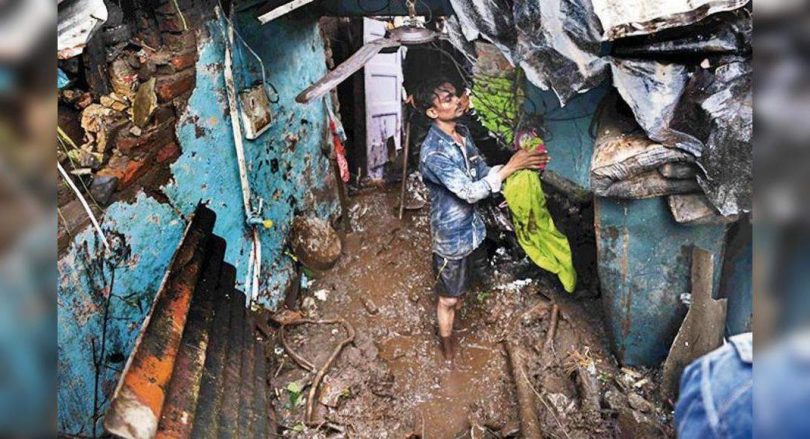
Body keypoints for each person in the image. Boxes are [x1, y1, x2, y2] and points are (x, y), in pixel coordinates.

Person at [415, 78, 549, 363]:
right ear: (432, 112)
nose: (457, 101)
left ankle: (457, 318)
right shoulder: (434, 152)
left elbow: (481, 171)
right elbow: (469, 191)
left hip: (473, 228)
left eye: (456, 95)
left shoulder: (462, 133)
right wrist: (512, 166)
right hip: (451, 235)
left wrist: (514, 167)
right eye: (448, 98)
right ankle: (448, 352)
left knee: (463, 293)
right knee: (449, 299)